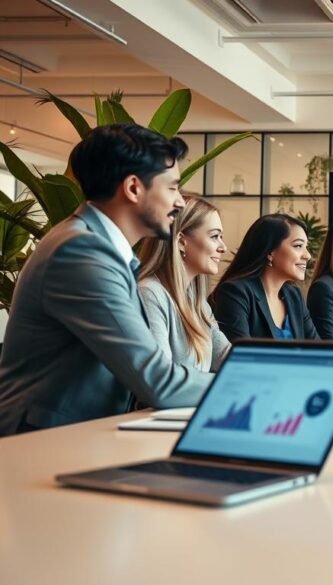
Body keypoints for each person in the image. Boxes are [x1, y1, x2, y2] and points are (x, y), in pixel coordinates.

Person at [0, 123, 213, 435]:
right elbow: (157, 380)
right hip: (39, 441)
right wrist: (244, 386)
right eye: (172, 188)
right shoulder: (81, 251)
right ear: (133, 188)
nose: (180, 202)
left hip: (76, 435)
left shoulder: (98, 247)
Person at [136, 197, 231, 372]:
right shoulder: (149, 294)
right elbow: (161, 376)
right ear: (180, 242)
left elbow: (227, 357)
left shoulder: (197, 302)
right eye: (214, 236)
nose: (223, 247)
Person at [210, 214, 319, 341]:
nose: (308, 255)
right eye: (298, 246)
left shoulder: (294, 296)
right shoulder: (236, 292)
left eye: (306, 247)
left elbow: (318, 348)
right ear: (270, 252)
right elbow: (241, 351)